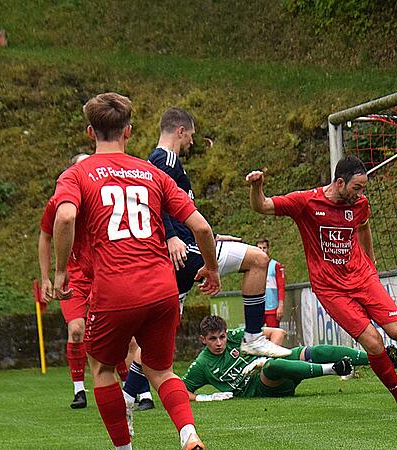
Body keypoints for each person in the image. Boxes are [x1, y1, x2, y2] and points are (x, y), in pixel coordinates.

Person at [52, 92, 220, 450]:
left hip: (115, 289)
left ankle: (124, 448)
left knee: (102, 368)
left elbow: (65, 216)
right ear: (128, 132)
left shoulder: (77, 174)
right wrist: (211, 268)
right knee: (161, 371)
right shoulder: (152, 173)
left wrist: (61, 270)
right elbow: (202, 228)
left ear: (89, 132)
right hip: (161, 288)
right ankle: (188, 434)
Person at [246, 155, 397, 412]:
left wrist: (371, 261)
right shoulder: (306, 202)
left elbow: (364, 226)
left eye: (363, 189)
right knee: (373, 343)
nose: (360, 194)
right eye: (356, 188)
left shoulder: (360, 204)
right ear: (339, 183)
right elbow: (262, 206)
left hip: (363, 277)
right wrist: (257, 186)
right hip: (331, 289)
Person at [146, 107, 289, 359]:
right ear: (180, 131)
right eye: (190, 134)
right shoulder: (165, 159)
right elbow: (155, 199)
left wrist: (211, 238)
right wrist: (171, 236)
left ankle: (132, 391)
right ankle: (254, 338)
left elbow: (183, 211)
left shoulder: (161, 161)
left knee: (163, 333)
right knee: (258, 260)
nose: (191, 140)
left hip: (185, 249)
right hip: (188, 251)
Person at [38, 153, 131, 409]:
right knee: (77, 330)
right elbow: (45, 236)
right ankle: (79, 389)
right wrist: (47, 276)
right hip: (74, 279)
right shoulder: (59, 202)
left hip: (105, 274)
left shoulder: (108, 199)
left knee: (114, 332)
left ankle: (132, 388)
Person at [182, 316, 372, 401]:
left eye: (221, 337)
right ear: (203, 340)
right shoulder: (202, 364)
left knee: (309, 351)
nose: (219, 343)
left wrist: (263, 356)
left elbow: (277, 333)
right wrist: (203, 397)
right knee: (270, 366)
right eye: (213, 339)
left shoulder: (235, 336)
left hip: (282, 369)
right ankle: (333, 369)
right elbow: (180, 392)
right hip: (264, 387)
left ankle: (377, 358)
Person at [256, 239, 286, 328]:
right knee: (255, 335)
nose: (262, 250)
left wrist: (280, 306)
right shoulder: (252, 266)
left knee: (274, 335)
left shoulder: (275, 265)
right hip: (257, 307)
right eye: (259, 248)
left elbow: (281, 287)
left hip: (272, 307)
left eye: (264, 248)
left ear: (268, 249)